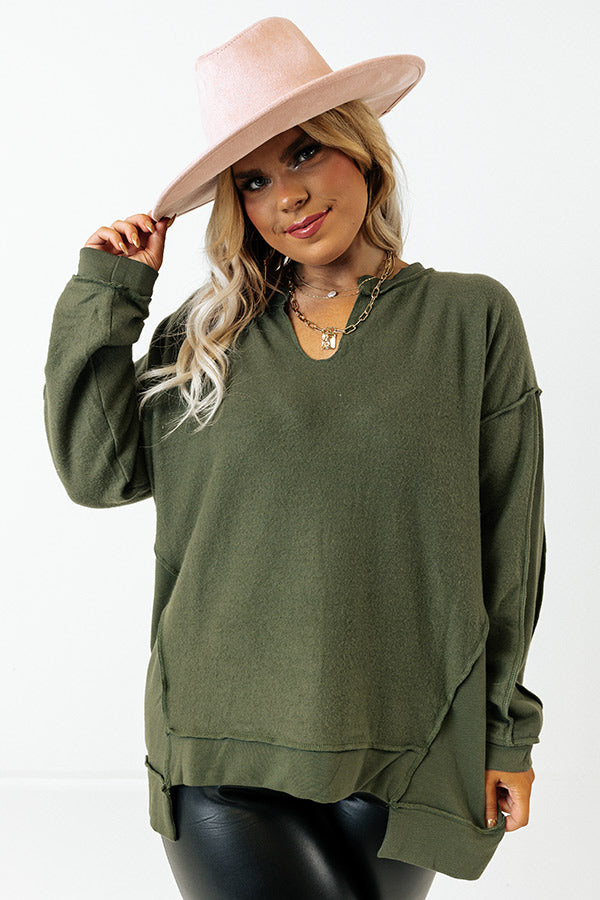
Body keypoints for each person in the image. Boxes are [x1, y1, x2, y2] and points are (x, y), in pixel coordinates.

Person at [43, 17, 546, 900]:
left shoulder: (473, 319)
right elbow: (97, 472)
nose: (288, 196)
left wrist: (508, 732)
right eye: (254, 180)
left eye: (306, 152)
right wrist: (109, 292)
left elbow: (511, 545)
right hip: (221, 746)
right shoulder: (204, 337)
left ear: (363, 151)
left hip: (409, 744)